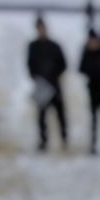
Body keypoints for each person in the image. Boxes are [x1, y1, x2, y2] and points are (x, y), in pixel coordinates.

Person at [27, 16, 68, 151]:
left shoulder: (54, 46)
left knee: (60, 115)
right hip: (42, 85)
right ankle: (43, 141)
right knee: (42, 116)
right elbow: (30, 65)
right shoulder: (33, 46)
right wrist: (37, 77)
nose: (41, 30)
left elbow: (63, 64)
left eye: (43, 27)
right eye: (39, 28)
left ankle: (64, 139)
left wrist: (53, 75)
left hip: (54, 84)